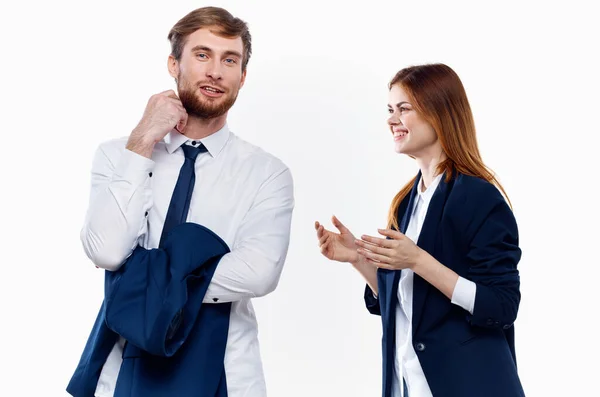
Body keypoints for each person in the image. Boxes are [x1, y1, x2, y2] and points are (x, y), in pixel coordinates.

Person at [74, 6, 294, 397]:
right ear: (174, 64)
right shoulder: (118, 155)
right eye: (202, 55)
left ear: (242, 77)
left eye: (230, 60)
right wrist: (142, 139)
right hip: (121, 365)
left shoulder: (267, 173)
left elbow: (258, 274)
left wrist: (138, 270)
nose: (215, 71)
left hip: (226, 370)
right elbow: (107, 251)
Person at [315, 63, 524, 397]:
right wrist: (359, 259)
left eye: (404, 109)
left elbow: (501, 305)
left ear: (439, 113)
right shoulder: (405, 202)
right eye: (389, 110)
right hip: (409, 385)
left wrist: (418, 261)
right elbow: (409, 303)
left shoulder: (479, 197)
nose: (391, 119)